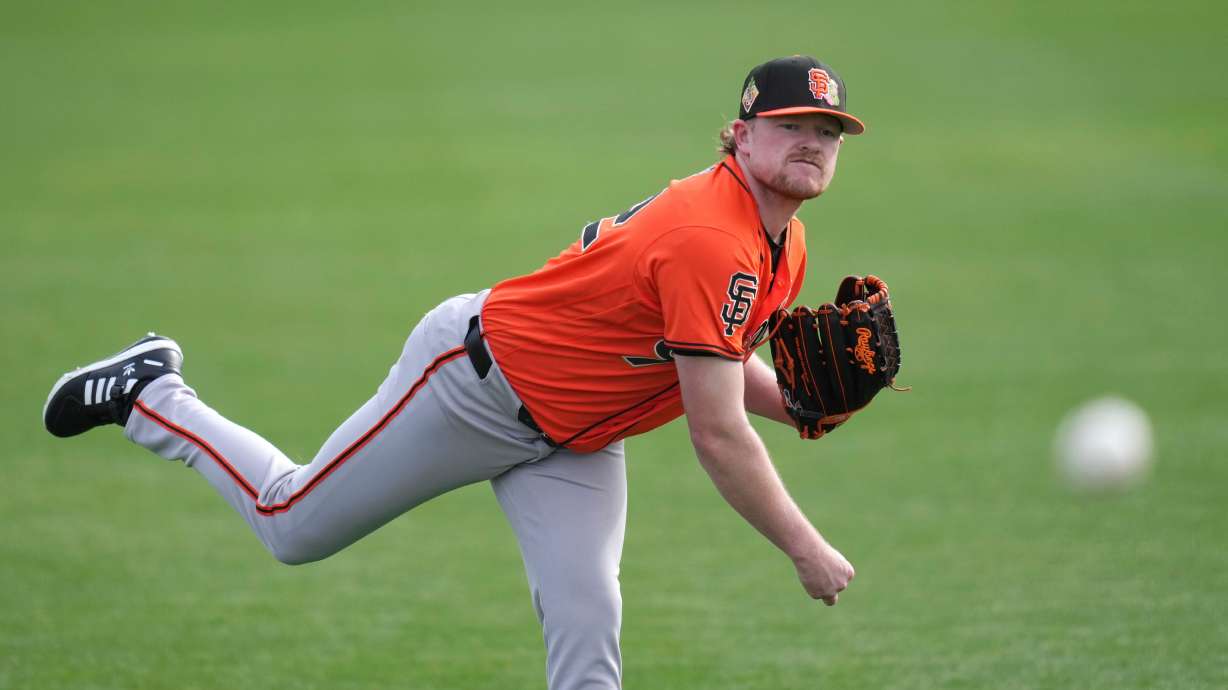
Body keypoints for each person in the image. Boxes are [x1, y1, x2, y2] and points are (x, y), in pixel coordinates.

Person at [43, 55, 866, 690]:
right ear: (741, 133)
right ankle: (154, 394)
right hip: (474, 387)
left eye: (827, 132)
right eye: (793, 124)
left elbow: (715, 357)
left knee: (589, 619)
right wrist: (804, 548)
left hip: (577, 438)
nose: (812, 144)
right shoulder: (710, 238)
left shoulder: (780, 242)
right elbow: (716, 429)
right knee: (290, 523)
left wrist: (791, 403)